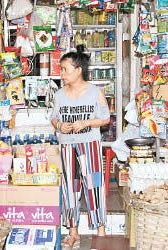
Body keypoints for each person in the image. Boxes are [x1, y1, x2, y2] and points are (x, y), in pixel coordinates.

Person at [50, 45, 110, 249]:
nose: (62, 74)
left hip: (90, 146)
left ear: (78, 70)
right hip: (67, 148)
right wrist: (59, 125)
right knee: (70, 189)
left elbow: (105, 119)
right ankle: (73, 232)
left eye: (65, 69)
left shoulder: (95, 92)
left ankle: (100, 231)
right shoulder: (59, 94)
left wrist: (85, 123)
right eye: (62, 70)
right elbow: (54, 118)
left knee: (94, 186)